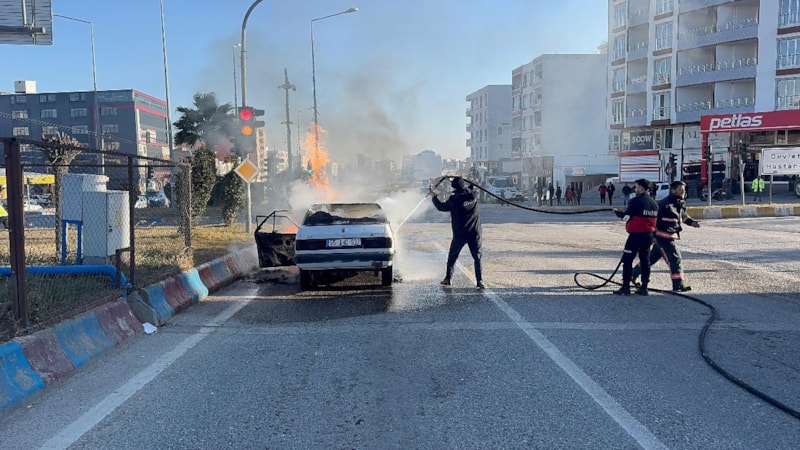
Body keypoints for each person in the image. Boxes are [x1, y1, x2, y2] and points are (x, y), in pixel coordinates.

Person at [631, 180, 700, 292]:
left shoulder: (680, 202)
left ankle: (633, 274)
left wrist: (692, 223)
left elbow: (683, 217)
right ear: (673, 190)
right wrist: (653, 236)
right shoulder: (665, 204)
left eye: (683, 190)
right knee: (675, 258)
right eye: (680, 190)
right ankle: (678, 283)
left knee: (650, 259)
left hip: (670, 235)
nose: (683, 192)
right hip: (662, 237)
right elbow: (653, 220)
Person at [431, 176, 485, 289]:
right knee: (477, 256)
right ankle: (480, 281)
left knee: (453, 256)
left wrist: (434, 197)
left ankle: (448, 279)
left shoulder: (454, 199)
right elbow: (470, 187)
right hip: (474, 232)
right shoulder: (472, 196)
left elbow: (441, 207)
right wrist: (458, 181)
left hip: (460, 233)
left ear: (453, 187)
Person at [611, 179, 659, 296]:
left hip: (636, 236)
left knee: (627, 260)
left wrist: (618, 213)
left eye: (636, 187)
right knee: (645, 261)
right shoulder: (654, 203)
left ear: (641, 188)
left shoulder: (635, 201)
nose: (635, 189)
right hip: (648, 236)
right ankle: (644, 287)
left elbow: (627, 217)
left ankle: (626, 287)